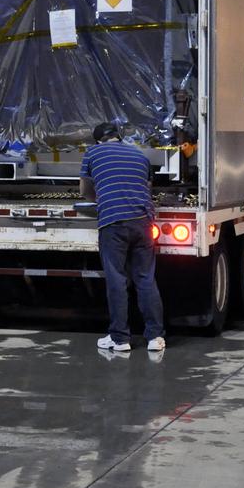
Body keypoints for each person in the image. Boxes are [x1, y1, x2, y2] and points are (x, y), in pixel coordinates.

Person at [80, 121, 165, 353]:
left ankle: (120, 339)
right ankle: (155, 338)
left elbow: (85, 191)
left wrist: (103, 198)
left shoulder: (92, 153)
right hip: (143, 221)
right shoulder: (140, 156)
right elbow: (146, 189)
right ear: (118, 137)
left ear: (98, 140)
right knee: (145, 278)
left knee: (117, 279)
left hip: (113, 222)